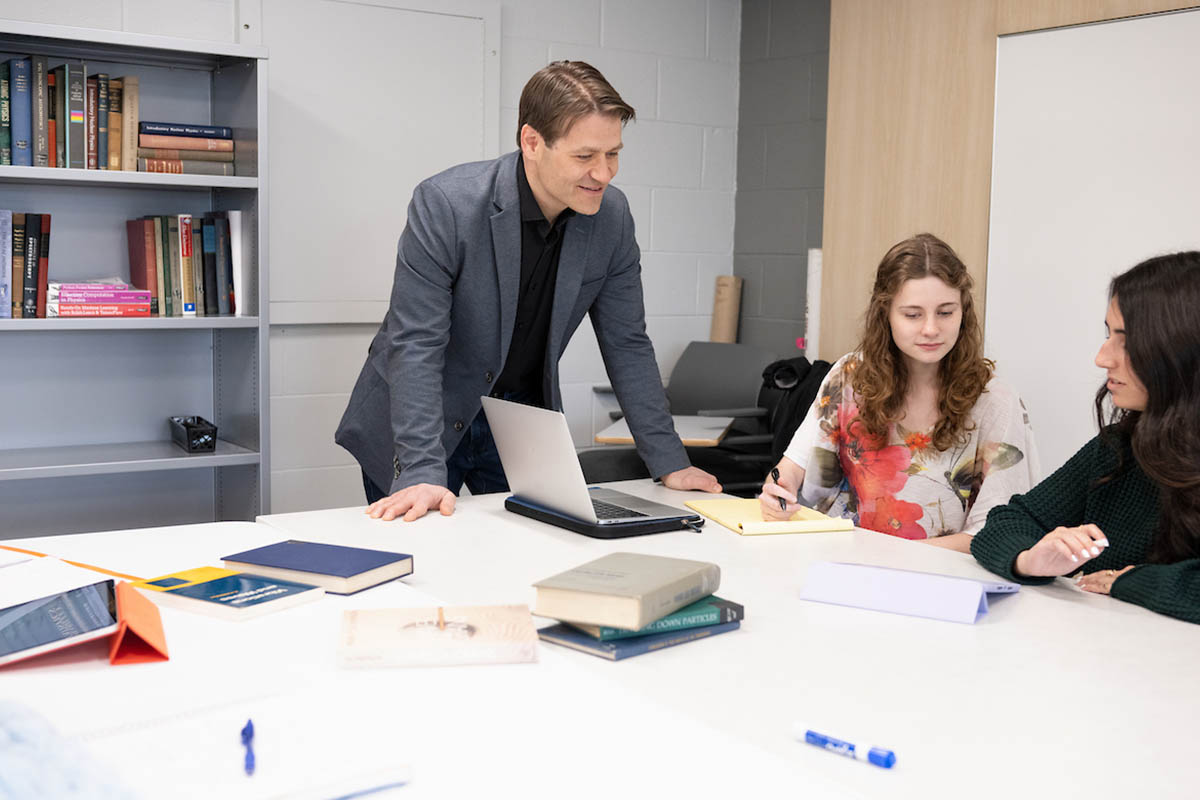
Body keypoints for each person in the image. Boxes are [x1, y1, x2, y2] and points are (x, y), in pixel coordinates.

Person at [335, 61, 721, 522]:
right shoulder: (446, 204)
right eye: (585, 157)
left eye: (613, 154)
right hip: (422, 414)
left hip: (516, 422)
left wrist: (669, 461)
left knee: (524, 555)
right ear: (532, 142)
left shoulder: (611, 218)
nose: (604, 173)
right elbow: (415, 343)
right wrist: (420, 467)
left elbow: (627, 343)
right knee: (425, 558)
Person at [759, 233, 1038, 552]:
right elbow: (792, 469)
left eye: (946, 312)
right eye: (913, 314)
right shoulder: (850, 376)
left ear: (964, 311)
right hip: (844, 566)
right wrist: (775, 493)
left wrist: (889, 557)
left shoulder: (996, 402)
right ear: (886, 314)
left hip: (943, 581)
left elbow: (996, 531)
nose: (931, 329)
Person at [972, 252, 1200, 623]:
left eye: (1124, 341)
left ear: (1181, 348)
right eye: (1107, 335)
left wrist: (1131, 582)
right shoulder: (1119, 447)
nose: (1101, 357)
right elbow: (1007, 523)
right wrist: (1032, 559)